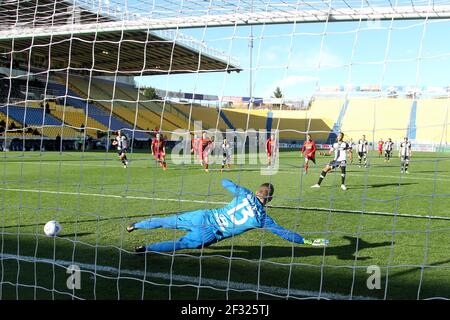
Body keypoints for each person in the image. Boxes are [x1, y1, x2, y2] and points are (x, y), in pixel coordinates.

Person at [127, 179, 329, 253]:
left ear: (258, 191)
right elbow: (284, 234)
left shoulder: (245, 193)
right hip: (210, 233)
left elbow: (225, 182)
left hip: (202, 216)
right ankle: (145, 249)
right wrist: (307, 241)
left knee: (166, 221)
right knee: (180, 245)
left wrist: (235, 184)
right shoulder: (262, 218)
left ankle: (135, 225)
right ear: (270, 199)